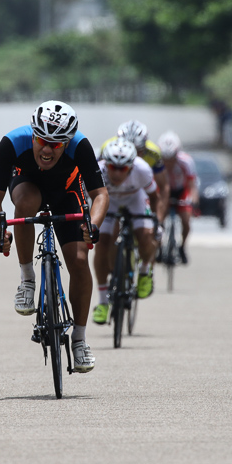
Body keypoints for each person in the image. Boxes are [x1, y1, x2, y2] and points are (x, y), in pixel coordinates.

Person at [0, 100, 108, 373]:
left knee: (78, 261)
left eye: (57, 143)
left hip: (67, 194)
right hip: (26, 188)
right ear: (33, 134)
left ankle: (79, 340)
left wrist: (94, 225)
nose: (48, 149)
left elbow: (100, 195)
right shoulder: (12, 142)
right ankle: (28, 279)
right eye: (42, 140)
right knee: (27, 200)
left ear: (68, 141)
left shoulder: (81, 145)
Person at [91, 138, 160, 325]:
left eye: (122, 169)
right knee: (102, 244)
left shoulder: (143, 170)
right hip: (109, 201)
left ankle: (145, 270)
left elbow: (154, 197)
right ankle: (103, 301)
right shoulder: (98, 169)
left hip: (135, 200)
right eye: (113, 167)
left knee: (145, 237)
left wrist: (156, 221)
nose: (117, 172)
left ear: (131, 167)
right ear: (107, 164)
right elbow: (87, 198)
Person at [102, 120, 169, 216]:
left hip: (139, 189)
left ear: (144, 148)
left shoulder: (154, 153)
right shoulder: (107, 148)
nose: (132, 156)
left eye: (137, 151)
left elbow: (163, 186)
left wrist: (159, 218)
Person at [157, 131, 198, 264]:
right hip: (164, 191)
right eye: (165, 158)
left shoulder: (186, 161)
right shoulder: (156, 162)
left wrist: (194, 201)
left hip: (181, 191)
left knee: (186, 221)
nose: (168, 162)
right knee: (158, 219)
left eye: (171, 158)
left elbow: (192, 185)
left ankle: (182, 247)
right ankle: (158, 247)